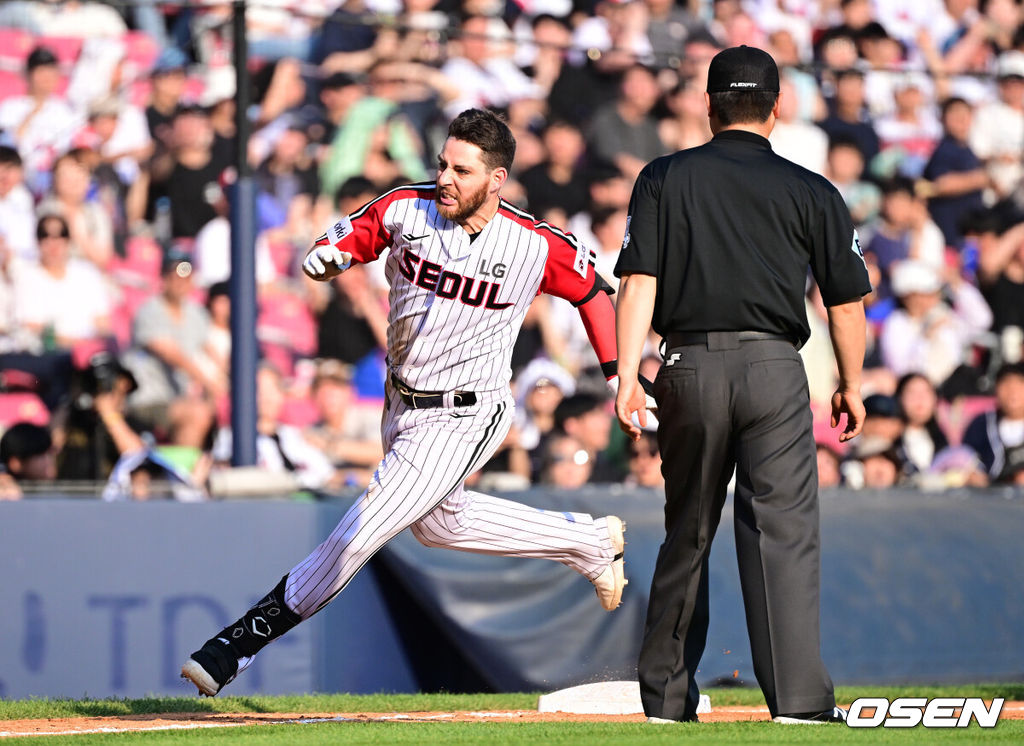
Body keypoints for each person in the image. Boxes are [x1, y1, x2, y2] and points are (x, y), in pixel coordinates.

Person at [180, 109, 640, 697]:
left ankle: (238, 643)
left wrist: (618, 375)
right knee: (439, 526)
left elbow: (595, 294)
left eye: (463, 170)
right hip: (401, 402)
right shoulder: (406, 206)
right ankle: (589, 541)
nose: (445, 177)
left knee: (364, 527)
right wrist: (329, 255)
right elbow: (344, 236)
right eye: (443, 163)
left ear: (496, 180)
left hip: (468, 410)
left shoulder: (533, 243)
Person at [614, 46, 872, 725]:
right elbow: (846, 304)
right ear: (777, 108)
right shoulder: (812, 189)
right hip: (774, 369)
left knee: (688, 529)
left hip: (686, 366)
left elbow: (639, 280)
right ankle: (798, 703)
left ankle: (667, 700)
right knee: (780, 535)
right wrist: (852, 383)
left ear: (707, 105)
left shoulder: (663, 177)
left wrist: (623, 377)